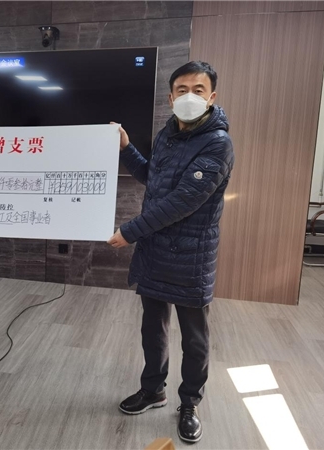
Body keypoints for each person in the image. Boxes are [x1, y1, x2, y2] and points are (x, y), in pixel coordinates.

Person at [108, 61, 234, 443]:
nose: (189, 96)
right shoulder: (167, 134)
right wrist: (127, 148)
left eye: (198, 90)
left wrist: (129, 232)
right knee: (153, 328)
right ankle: (153, 390)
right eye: (182, 90)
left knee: (194, 339)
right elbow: (154, 179)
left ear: (212, 97)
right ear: (170, 97)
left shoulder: (218, 143)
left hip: (191, 257)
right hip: (156, 252)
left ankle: (190, 403)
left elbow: (182, 202)